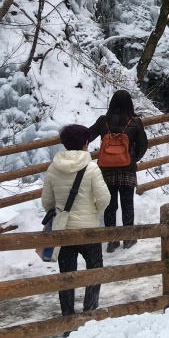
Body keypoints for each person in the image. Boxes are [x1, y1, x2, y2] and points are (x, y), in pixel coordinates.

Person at [41, 124, 110, 317]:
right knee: (94, 270)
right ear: (86, 144)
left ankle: (68, 317)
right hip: (89, 231)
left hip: (64, 233)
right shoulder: (92, 168)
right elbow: (104, 198)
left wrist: (60, 213)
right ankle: (89, 312)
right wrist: (93, 211)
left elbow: (46, 201)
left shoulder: (53, 169)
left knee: (67, 276)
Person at [88, 90, 148, 252]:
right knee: (127, 204)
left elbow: (88, 135)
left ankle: (112, 240)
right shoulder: (135, 122)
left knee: (110, 205)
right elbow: (143, 145)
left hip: (106, 169)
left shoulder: (103, 121)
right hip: (126, 169)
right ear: (129, 104)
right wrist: (132, 158)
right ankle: (128, 238)